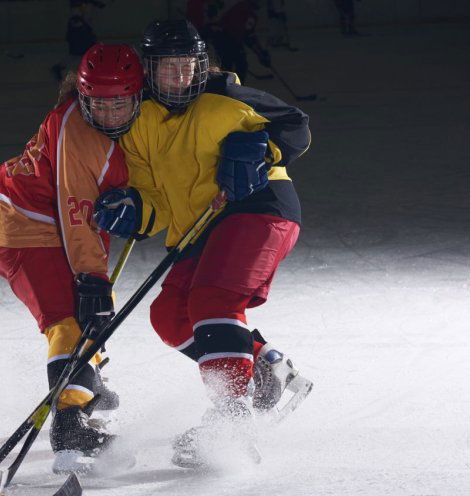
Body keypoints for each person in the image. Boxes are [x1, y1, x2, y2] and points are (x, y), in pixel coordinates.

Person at [93, 20, 313, 469]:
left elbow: (296, 127)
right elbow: (154, 194)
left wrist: (261, 148)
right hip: (199, 226)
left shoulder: (226, 97)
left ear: (201, 65)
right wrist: (135, 209)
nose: (179, 78)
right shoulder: (139, 121)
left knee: (213, 299)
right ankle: (264, 365)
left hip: (258, 206)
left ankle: (232, 418)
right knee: (170, 316)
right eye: (166, 69)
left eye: (187, 67)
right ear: (148, 72)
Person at [0, 43, 143, 475]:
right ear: (83, 98)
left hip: (46, 224)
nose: (109, 115)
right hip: (21, 227)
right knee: (70, 317)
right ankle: (70, 428)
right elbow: (76, 217)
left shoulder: (124, 123)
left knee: (92, 309)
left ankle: (87, 383)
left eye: (120, 104)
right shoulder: (80, 135)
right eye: (99, 105)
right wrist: (91, 278)